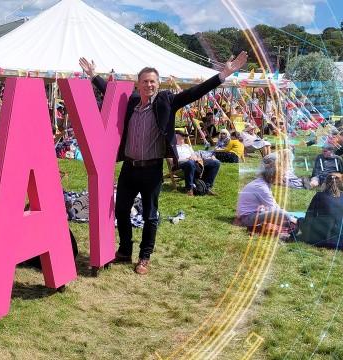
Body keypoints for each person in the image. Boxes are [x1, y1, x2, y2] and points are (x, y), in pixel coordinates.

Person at [79, 50, 248, 275]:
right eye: (145, 82)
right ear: (138, 85)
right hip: (129, 167)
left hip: (152, 168)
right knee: (120, 209)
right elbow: (109, 94)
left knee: (150, 214)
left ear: (158, 84)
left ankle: (144, 257)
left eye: (153, 82)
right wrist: (93, 75)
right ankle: (125, 249)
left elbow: (194, 93)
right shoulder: (131, 102)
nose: (149, 85)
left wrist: (223, 74)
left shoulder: (167, 101)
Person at [236, 154, 297, 232]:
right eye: (281, 174)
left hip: (254, 214)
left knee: (283, 214)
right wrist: (292, 218)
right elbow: (273, 209)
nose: (283, 177)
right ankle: (295, 223)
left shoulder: (263, 183)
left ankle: (291, 222)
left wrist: (289, 215)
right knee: (282, 214)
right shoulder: (261, 187)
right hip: (246, 219)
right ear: (274, 174)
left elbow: (273, 204)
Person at [299, 173, 343, 248]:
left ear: (325, 184)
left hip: (321, 238)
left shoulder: (319, 195)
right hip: (338, 238)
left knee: (300, 220)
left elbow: (309, 216)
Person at [175, 130, 220, 196]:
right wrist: (187, 159)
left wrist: (194, 157)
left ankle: (207, 187)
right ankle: (189, 189)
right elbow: (172, 161)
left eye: (184, 137)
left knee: (215, 163)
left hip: (194, 162)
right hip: (181, 164)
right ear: (176, 137)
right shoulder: (172, 147)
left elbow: (194, 154)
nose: (184, 138)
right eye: (182, 137)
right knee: (190, 163)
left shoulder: (187, 146)